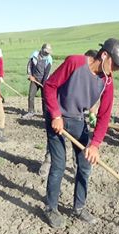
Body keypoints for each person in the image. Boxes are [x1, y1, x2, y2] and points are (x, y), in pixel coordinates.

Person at [42, 38, 119, 228]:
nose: (116, 70)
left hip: (78, 120)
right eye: (115, 64)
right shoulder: (75, 62)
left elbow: (104, 115)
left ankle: (79, 207)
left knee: (85, 164)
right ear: (104, 55)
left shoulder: (107, 81)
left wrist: (95, 144)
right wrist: (55, 114)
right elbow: (49, 86)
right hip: (57, 118)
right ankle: (51, 208)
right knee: (59, 164)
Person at [38, 49, 99, 177]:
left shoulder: (93, 77)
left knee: (80, 144)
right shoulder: (73, 70)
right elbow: (52, 89)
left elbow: (92, 99)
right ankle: (48, 162)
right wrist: (56, 115)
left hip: (77, 117)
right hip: (60, 113)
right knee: (55, 146)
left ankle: (78, 167)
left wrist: (92, 114)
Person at [22, 43, 53, 119]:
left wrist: (44, 83)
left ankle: (45, 114)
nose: (47, 54)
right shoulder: (34, 55)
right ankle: (31, 112)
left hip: (44, 79)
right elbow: (29, 65)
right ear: (42, 49)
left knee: (44, 97)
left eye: (48, 53)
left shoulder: (49, 59)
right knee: (31, 96)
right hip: (34, 79)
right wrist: (30, 75)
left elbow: (47, 72)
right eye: (46, 52)